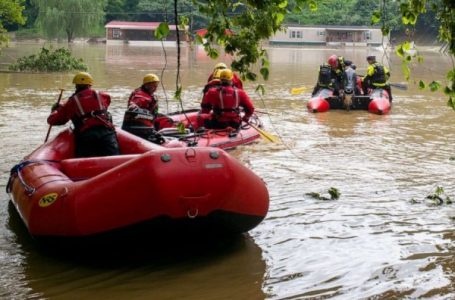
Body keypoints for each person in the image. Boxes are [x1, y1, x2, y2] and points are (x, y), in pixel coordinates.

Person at [47, 72, 120, 158]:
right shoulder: (102, 95)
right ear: (90, 84)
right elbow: (106, 103)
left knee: (86, 162)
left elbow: (54, 120)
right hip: (107, 133)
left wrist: (56, 110)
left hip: (87, 136)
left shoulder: (72, 101)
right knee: (114, 158)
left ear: (76, 86)